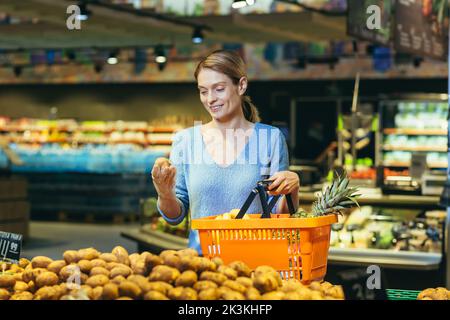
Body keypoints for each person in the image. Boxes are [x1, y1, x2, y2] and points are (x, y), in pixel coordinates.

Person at [151, 50, 300, 253]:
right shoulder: (185, 141)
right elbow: (175, 217)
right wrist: (164, 192)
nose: (210, 99)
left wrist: (292, 188)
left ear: (241, 85)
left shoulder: (270, 139)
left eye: (219, 89)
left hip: (257, 265)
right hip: (202, 267)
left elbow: (280, 215)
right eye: (203, 91)